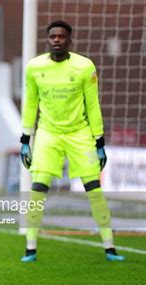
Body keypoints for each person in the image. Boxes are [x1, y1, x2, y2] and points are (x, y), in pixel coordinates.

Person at [20, 20, 125, 262]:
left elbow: (93, 105)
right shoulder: (35, 67)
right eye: (53, 36)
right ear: (48, 39)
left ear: (69, 40)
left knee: (94, 190)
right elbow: (31, 104)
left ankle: (110, 247)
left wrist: (99, 142)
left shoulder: (84, 67)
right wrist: (26, 139)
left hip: (80, 134)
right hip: (48, 134)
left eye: (61, 36)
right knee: (38, 189)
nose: (57, 39)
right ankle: (30, 248)